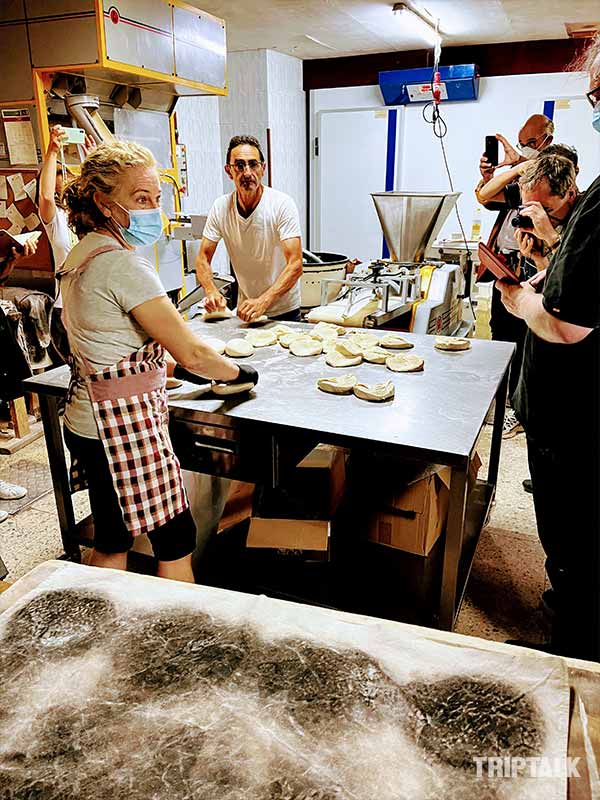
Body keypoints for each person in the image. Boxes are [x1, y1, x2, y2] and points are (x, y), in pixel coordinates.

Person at [59, 141, 257, 582]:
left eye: (156, 199)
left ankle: (106, 624)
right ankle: (174, 640)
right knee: (176, 540)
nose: (152, 209)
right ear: (102, 202)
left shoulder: (80, 253)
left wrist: (168, 370)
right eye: (139, 199)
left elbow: (112, 345)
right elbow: (192, 351)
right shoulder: (122, 266)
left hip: (86, 420)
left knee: (112, 536)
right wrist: (239, 372)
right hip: (119, 429)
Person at [498, 63, 600, 665]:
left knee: (572, 530)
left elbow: (565, 322)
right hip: (562, 409)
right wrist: (548, 256)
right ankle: (569, 608)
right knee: (569, 537)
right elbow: (577, 285)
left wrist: (519, 298)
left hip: (574, 412)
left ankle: (571, 658)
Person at [475, 115, 554, 438]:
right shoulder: (519, 184)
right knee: (501, 334)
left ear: (547, 140)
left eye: (531, 143)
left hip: (532, 267)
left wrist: (521, 165)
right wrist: (495, 172)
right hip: (504, 265)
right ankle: (504, 399)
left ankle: (521, 410)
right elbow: (484, 195)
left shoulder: (547, 182)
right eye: (522, 143)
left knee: (525, 342)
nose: (525, 149)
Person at [196, 134, 303, 322]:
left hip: (284, 310)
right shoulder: (221, 207)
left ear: (263, 169)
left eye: (253, 164)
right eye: (239, 165)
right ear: (229, 171)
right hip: (247, 310)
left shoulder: (281, 204)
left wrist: (264, 301)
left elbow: (295, 264)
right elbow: (203, 258)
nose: (247, 173)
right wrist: (211, 291)